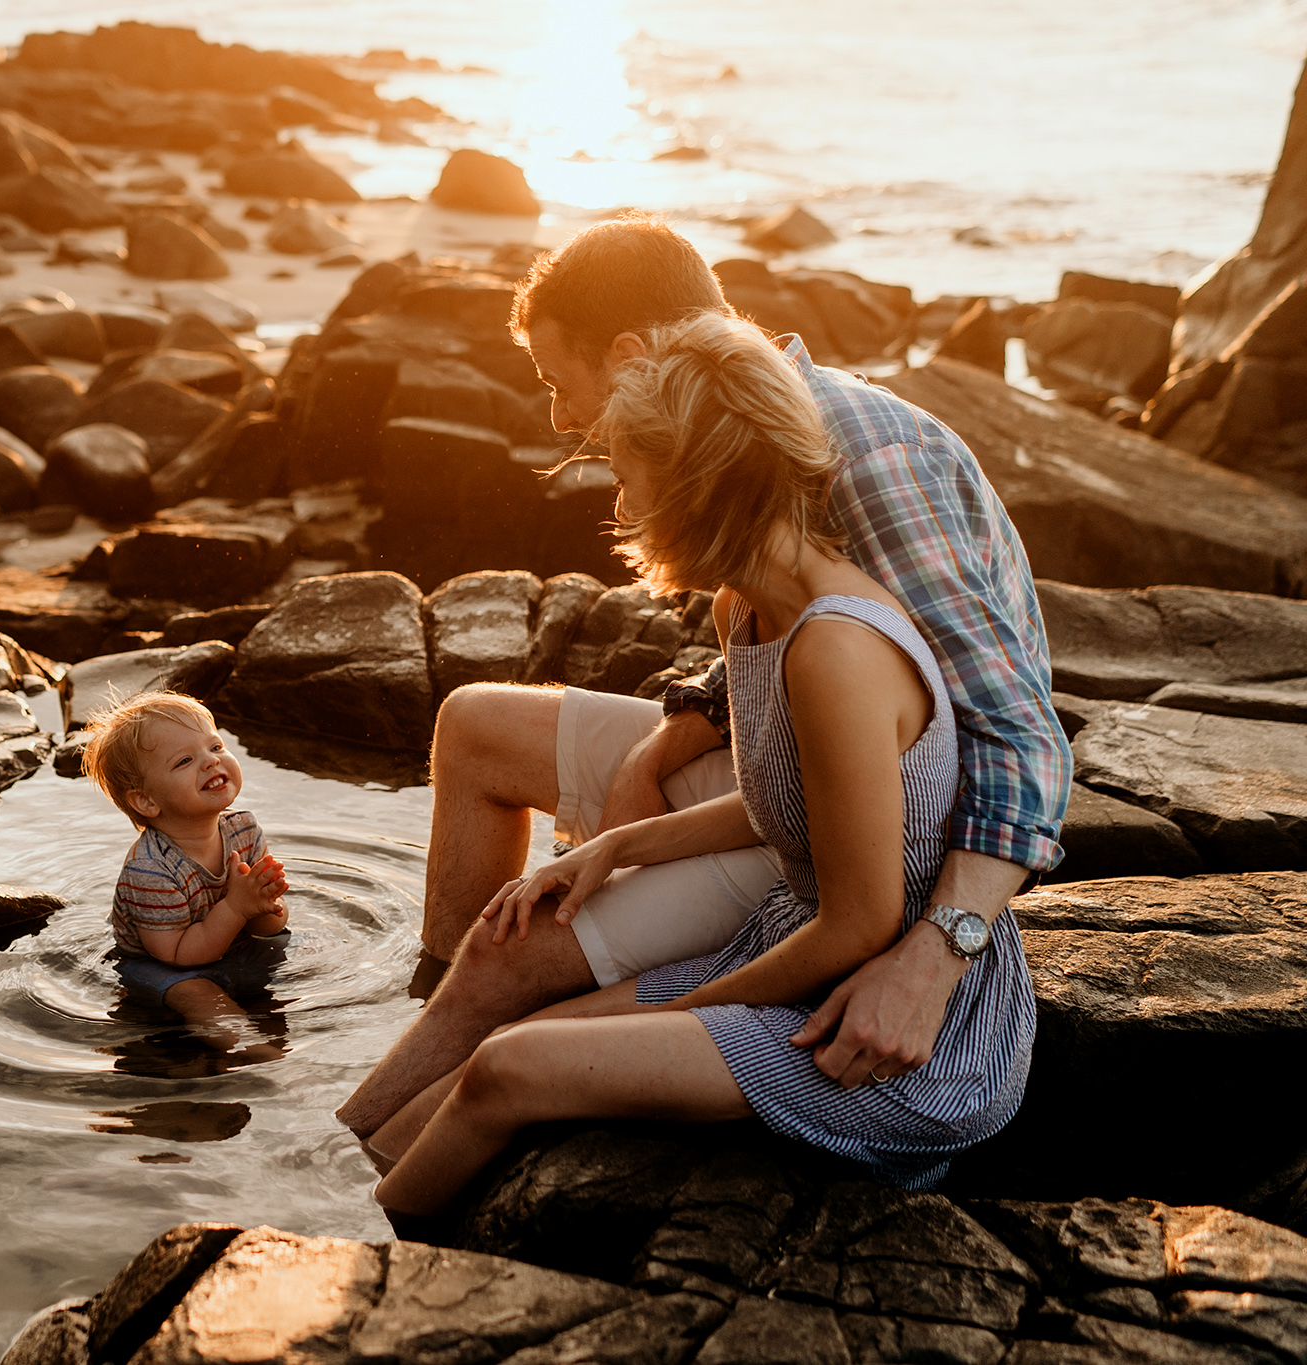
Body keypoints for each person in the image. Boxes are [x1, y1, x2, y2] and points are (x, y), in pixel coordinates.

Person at [336, 212, 1069, 1141]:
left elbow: (1018, 734)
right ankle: (431, 1036)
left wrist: (938, 951)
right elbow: (770, 651)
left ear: (633, 351)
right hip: (780, 760)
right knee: (476, 726)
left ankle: (377, 1124)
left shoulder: (871, 457)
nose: (559, 419)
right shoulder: (712, 426)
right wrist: (670, 736)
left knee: (510, 955)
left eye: (562, 384)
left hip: (861, 828)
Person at [82, 691, 290, 1052]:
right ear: (146, 801)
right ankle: (256, 1054)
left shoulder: (244, 829)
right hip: (160, 966)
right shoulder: (150, 869)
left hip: (231, 948)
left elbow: (271, 926)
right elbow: (179, 955)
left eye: (216, 746)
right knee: (195, 992)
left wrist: (266, 905)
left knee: (280, 948)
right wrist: (238, 907)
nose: (211, 762)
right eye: (185, 761)